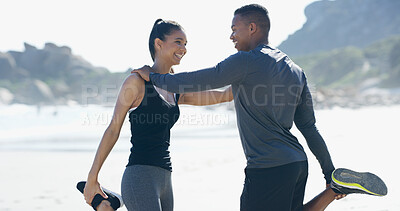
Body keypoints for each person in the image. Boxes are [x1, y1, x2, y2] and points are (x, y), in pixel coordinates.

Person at [132, 4, 387, 211]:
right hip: (297, 163)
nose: (231, 35)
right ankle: (334, 187)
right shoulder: (295, 70)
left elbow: (198, 80)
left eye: (235, 29)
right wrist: (329, 171)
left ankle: (334, 188)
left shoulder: (246, 61)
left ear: (252, 28)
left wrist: (154, 77)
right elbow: (309, 127)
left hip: (267, 168)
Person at [81, 19, 233, 211]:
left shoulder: (175, 88)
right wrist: (92, 178)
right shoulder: (135, 82)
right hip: (140, 175)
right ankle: (108, 204)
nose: (183, 49)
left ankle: (109, 205)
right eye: (178, 41)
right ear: (158, 43)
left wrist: (251, 76)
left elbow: (223, 96)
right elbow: (113, 128)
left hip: (165, 180)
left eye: (185, 44)